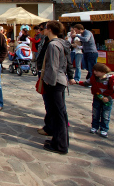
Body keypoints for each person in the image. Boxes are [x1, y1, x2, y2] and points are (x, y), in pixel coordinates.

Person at [41, 20, 75, 154]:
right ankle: (58, 140)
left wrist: (49, 81)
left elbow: (53, 66)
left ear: (49, 29)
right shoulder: (62, 43)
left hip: (55, 82)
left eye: (45, 28)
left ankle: (60, 145)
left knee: (57, 114)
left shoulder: (54, 45)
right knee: (59, 113)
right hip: (60, 81)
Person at [75, 63, 114, 138]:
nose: (95, 72)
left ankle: (104, 129)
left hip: (106, 101)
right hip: (97, 99)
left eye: (97, 71)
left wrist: (109, 98)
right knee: (95, 113)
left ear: (103, 72)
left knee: (105, 115)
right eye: (94, 70)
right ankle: (94, 127)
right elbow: (86, 83)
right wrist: (76, 82)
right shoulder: (93, 78)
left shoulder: (110, 80)